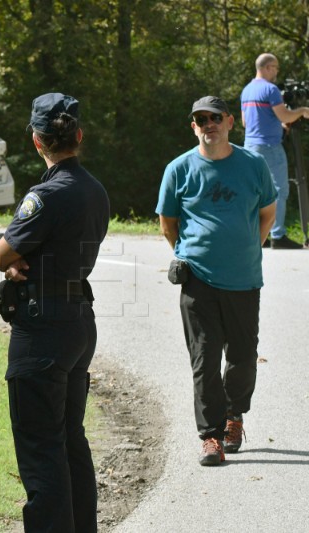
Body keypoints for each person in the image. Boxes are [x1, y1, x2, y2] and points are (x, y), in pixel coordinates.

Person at [0, 93, 109, 533]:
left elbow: (0, 256)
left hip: (42, 327)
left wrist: (17, 261)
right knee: (70, 442)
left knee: (41, 452)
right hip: (79, 320)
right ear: (78, 136)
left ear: (37, 141)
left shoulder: (46, 194)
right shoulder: (95, 190)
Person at [157, 96, 277, 466]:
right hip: (199, 281)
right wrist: (193, 254)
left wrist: (245, 250)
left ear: (230, 121)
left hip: (244, 279)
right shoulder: (178, 169)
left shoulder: (253, 165)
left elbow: (268, 214)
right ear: (194, 126)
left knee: (242, 358)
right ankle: (210, 436)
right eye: (200, 119)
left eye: (214, 118)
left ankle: (233, 415)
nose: (208, 124)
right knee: (205, 359)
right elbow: (168, 224)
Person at [240, 52, 309, 249]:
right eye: (276, 68)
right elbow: (285, 115)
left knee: (256, 191)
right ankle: (277, 235)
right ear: (268, 67)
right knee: (279, 190)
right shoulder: (270, 89)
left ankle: (258, 235)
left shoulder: (247, 90)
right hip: (270, 147)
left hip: (250, 146)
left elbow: (246, 122)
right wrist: (302, 111)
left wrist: (278, 126)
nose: (277, 72)